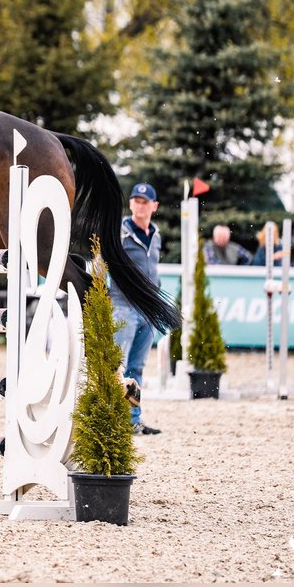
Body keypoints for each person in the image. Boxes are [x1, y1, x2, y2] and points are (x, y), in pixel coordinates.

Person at [112, 181, 163, 435]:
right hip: (122, 306)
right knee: (117, 366)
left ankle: (133, 419)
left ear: (154, 206)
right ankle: (110, 418)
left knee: (137, 369)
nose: (139, 205)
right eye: (136, 201)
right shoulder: (118, 232)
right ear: (131, 204)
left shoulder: (156, 235)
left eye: (145, 202)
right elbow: (102, 263)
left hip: (146, 310)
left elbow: (153, 270)